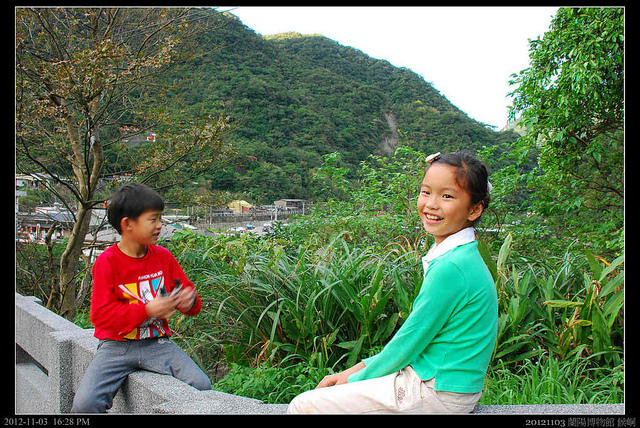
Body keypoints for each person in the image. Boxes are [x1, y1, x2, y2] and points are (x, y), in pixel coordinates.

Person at [287, 151, 498, 414]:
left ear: (474, 209)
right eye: (426, 192)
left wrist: (353, 379)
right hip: (444, 383)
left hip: (436, 390)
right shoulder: (463, 256)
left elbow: (407, 344)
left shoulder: (452, 267)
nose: (431, 204)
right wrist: (353, 373)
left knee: (303, 406)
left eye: (447, 196)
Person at [71, 182, 211, 413]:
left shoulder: (163, 257)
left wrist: (190, 301)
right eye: (153, 219)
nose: (159, 226)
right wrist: (147, 310)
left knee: (201, 386)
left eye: (160, 219)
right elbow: (100, 316)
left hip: (157, 344)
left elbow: (190, 299)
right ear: (128, 224)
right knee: (85, 405)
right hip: (116, 347)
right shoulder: (107, 262)